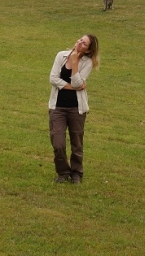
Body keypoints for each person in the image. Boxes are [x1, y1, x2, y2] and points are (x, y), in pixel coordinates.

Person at [48, 34, 100, 184]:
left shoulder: (87, 62)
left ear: (88, 50)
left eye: (84, 43)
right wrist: (74, 87)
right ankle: (63, 172)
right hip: (57, 107)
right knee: (58, 143)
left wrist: (75, 62)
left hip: (77, 109)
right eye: (80, 40)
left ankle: (76, 173)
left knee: (77, 143)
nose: (79, 43)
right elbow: (53, 79)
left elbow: (78, 82)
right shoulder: (61, 56)